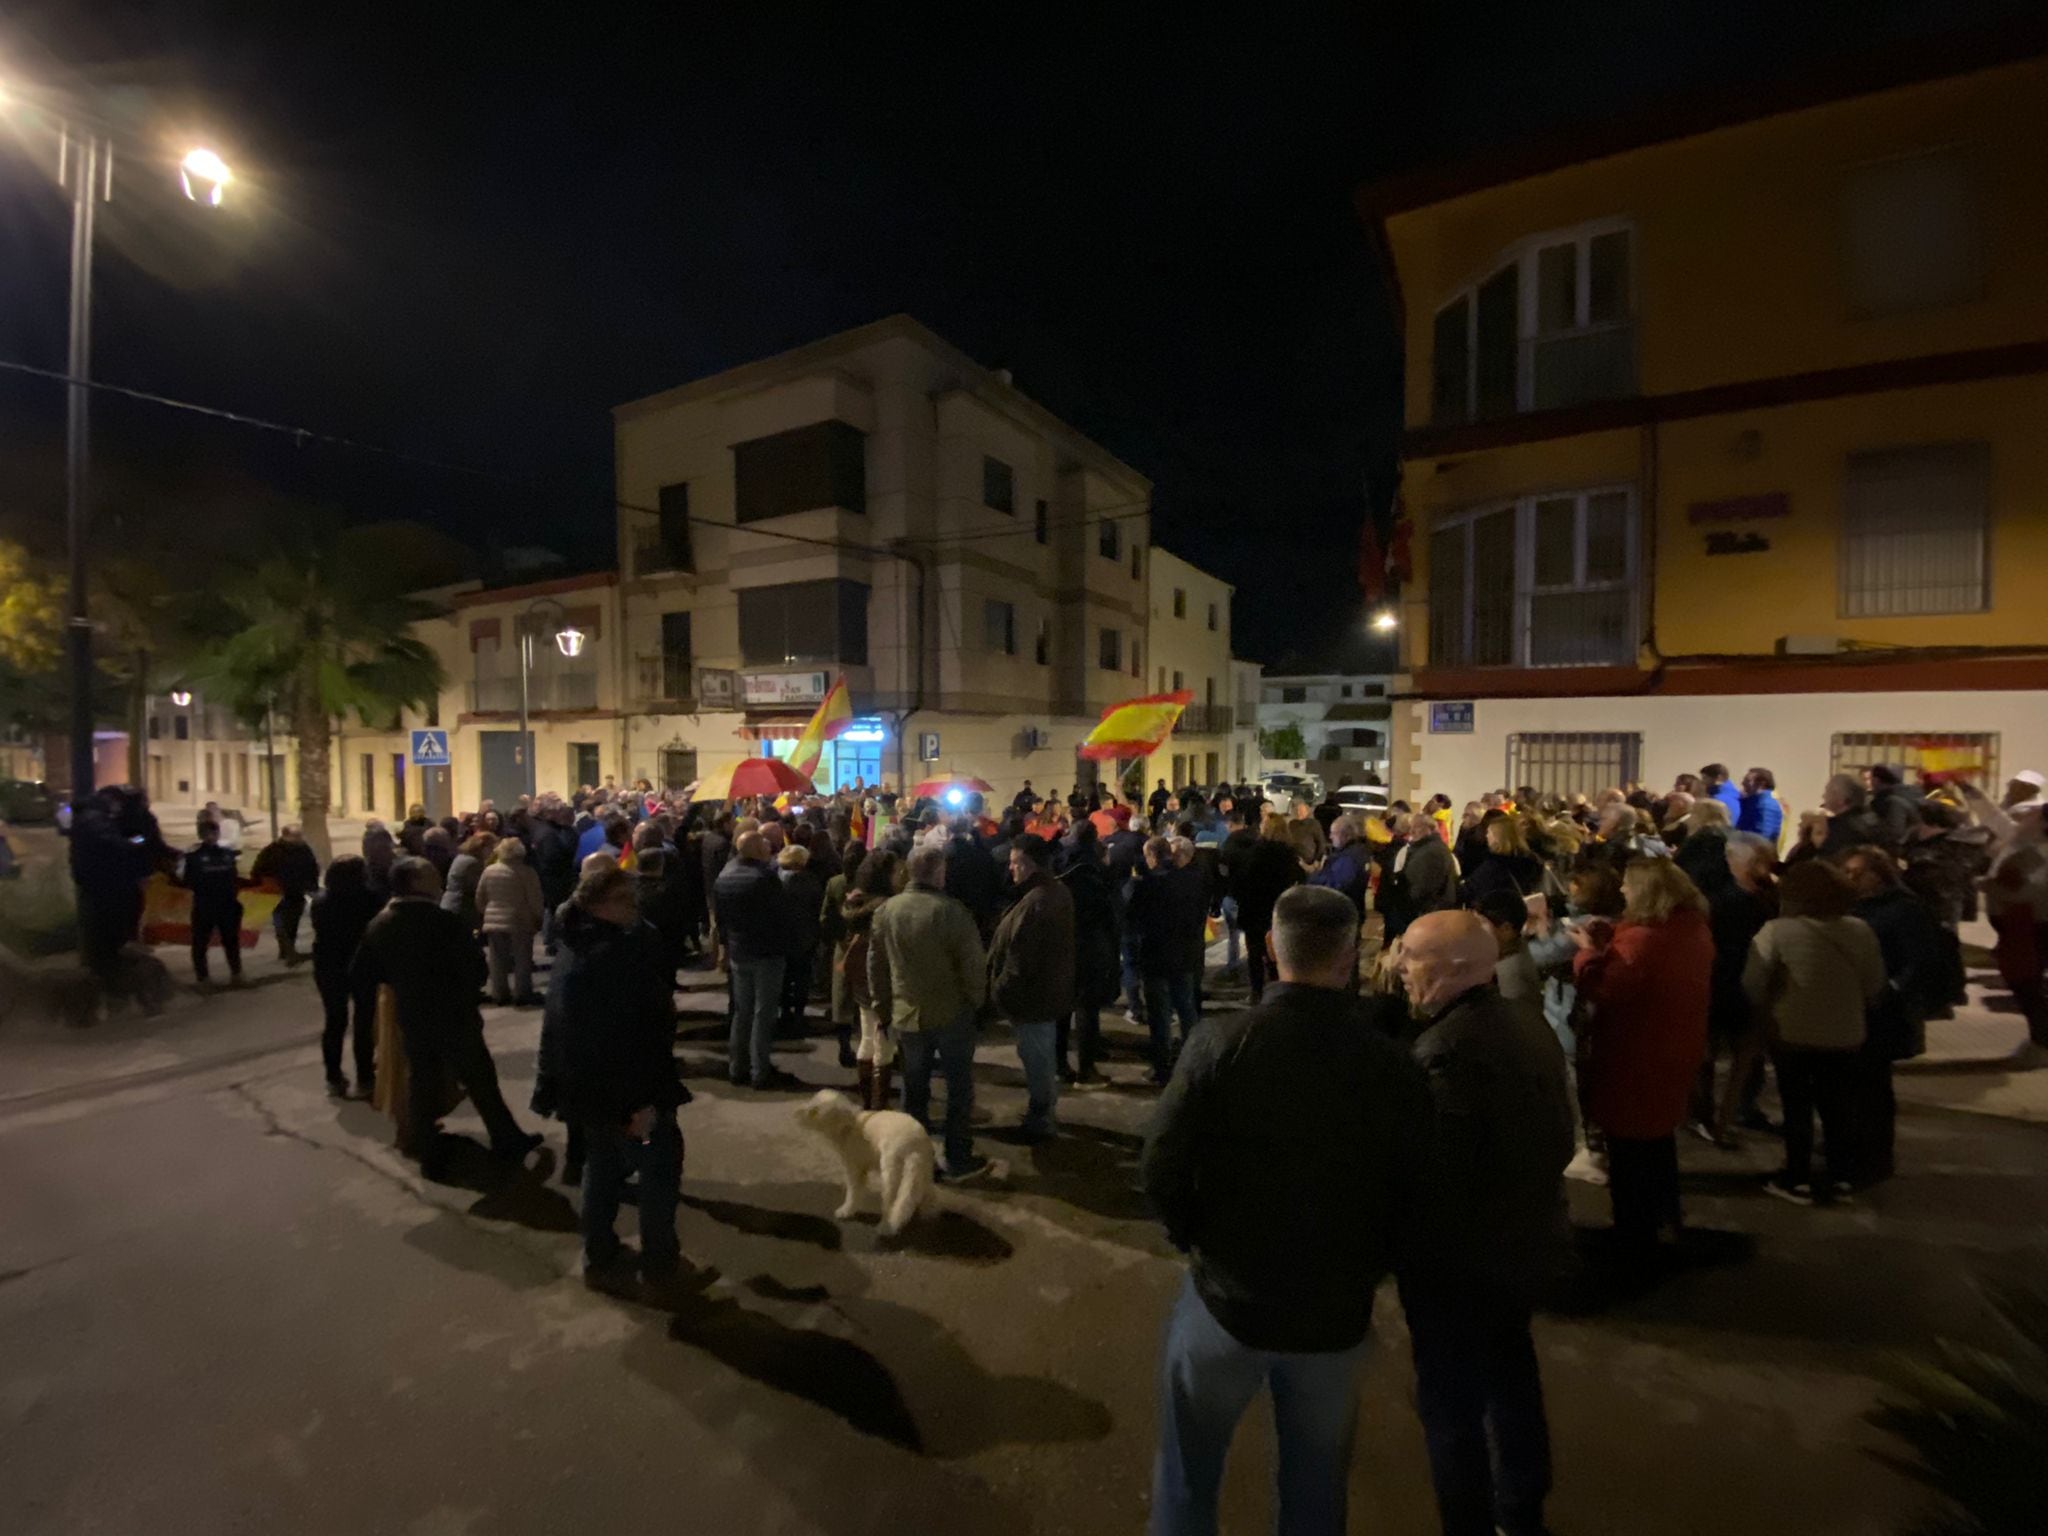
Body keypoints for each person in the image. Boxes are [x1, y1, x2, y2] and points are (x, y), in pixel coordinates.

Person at [1142, 885, 1438, 1536]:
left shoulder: (1222, 1041)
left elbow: (1161, 1164)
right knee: (1315, 1485)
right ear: (1348, 958)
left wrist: (1196, 1237)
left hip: (1227, 1300)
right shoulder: (1392, 1065)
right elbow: (1417, 1190)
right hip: (1332, 1314)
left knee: (1187, 1477)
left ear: (1272, 949)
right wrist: (1373, 1264)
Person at [1396, 910, 1572, 1536]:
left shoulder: (1447, 1052)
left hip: (1462, 1265)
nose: (1397, 965)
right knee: (1512, 1377)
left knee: (1452, 1408)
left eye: (1411, 955)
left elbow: (1435, 1177)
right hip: (1525, 1242)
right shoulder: (1525, 1024)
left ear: (1451, 971)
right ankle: (1523, 1512)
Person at [534, 864, 690, 1290]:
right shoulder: (610, 958)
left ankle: (599, 1250)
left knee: (602, 1167)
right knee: (657, 1168)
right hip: (627, 1095)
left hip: (591, 1094)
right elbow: (624, 1038)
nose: (634, 907)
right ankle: (659, 1261)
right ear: (600, 904)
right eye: (625, 899)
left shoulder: (579, 942)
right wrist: (638, 1104)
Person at [350, 857, 540, 1173]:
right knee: (480, 1079)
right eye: (431, 877)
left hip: (412, 1015)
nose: (438, 882)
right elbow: (476, 969)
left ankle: (427, 1147)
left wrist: (401, 985)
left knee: (422, 1079)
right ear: (415, 883)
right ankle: (506, 1138)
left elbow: (362, 974)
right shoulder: (444, 922)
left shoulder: (380, 925)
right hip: (455, 1014)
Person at [1571, 857, 1714, 1257]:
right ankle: (1665, 1219)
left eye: (1629, 885)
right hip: (1673, 1048)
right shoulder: (1689, 928)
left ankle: (1634, 1236)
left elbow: (1606, 987)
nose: (1621, 890)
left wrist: (1585, 954)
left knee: (1629, 1151)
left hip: (1635, 1054)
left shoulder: (1645, 941)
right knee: (1657, 1142)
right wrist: (1610, 938)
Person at [1745, 860, 1886, 1205]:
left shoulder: (1777, 931)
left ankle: (1796, 1177)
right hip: (1846, 1032)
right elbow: (1874, 983)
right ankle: (1841, 1176)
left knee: (1797, 1105)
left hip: (1793, 1030)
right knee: (1838, 1104)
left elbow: (1752, 983)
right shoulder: (1859, 930)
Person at [867, 844, 991, 1183]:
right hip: (951, 1013)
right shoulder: (951, 911)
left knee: (914, 1088)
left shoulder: (887, 911)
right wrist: (975, 1002)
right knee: (958, 1088)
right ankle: (958, 1156)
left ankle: (916, 1160)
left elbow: (876, 965)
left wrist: (882, 1007)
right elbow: (972, 965)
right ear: (938, 872)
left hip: (907, 1013)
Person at [1841, 845, 1946, 1184]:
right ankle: (1854, 1150)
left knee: (1873, 1087)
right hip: (1857, 1007)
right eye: (1848, 872)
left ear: (1880, 875)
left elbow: (1920, 961)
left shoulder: (1905, 910)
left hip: (1885, 1010)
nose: (1851, 878)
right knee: (1856, 1085)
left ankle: (1874, 1158)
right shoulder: (1856, 906)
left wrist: (1891, 989)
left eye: (1858, 872)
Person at [986, 834, 1076, 1140]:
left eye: (1014, 863)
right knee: (1040, 1057)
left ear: (1029, 864)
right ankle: (1043, 1111)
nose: (1010, 870)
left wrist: (997, 992)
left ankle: (1041, 1121)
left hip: (1034, 998)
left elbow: (1020, 962)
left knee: (1037, 1060)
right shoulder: (1051, 892)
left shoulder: (1038, 901)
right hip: (1046, 993)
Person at [1693, 831, 1777, 1144]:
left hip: (1749, 983)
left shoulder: (1768, 897)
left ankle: (1739, 1109)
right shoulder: (1721, 900)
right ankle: (1706, 1116)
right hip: (1723, 982)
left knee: (1748, 1056)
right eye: (1757, 861)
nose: (1763, 868)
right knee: (1708, 1055)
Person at [713, 832, 803, 1091]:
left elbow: (721, 918)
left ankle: (736, 1067)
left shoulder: (725, 875)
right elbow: (781, 915)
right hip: (767, 953)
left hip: (740, 951)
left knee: (742, 1012)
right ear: (753, 849)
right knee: (763, 1013)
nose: (768, 846)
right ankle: (759, 1071)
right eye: (763, 843)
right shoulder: (764, 878)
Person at [1130, 834, 1211, 1083]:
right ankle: (1193, 1059)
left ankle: (1162, 1065)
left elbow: (1133, 919)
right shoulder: (1191, 880)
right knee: (1186, 1007)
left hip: (1156, 955)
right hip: (1185, 953)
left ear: (1152, 856)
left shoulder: (1146, 885)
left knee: (1160, 1013)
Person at [311, 854, 384, 1099]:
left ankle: (333, 1077)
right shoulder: (371, 899)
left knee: (334, 1021)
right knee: (364, 1022)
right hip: (362, 964)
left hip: (329, 965)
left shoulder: (321, 902)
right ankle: (365, 1077)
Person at [1059, 825, 1121, 1090]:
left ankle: (1059, 1065)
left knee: (1062, 1008)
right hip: (1090, 947)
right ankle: (1087, 1069)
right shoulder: (1094, 873)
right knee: (1087, 1009)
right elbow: (1110, 915)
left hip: (1063, 945)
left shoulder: (1060, 867)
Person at [1235, 813, 1305, 1005]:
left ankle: (1257, 993)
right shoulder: (1290, 854)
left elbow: (1244, 880)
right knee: (1278, 953)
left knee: (1255, 954)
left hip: (1256, 910)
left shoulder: (1256, 852)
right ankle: (1278, 991)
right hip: (1280, 911)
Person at [476, 836, 545, 1007]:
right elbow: (534, 898)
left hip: (493, 920)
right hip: (519, 920)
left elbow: (480, 896)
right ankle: (522, 993)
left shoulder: (489, 871)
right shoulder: (527, 872)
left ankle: (500, 993)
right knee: (522, 959)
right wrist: (538, 917)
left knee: (497, 959)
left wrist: (486, 912)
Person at [180, 817, 248, 986]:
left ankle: (237, 973)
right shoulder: (194, 857)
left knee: (231, 941)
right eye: (207, 834)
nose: (211, 836)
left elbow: (234, 877)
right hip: (205, 905)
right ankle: (203, 978)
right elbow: (188, 881)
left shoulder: (227, 855)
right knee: (201, 942)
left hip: (227, 904)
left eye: (214, 833)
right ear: (201, 835)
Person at [1386, 810, 1459, 945]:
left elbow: (1423, 889)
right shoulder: (1424, 849)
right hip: (1424, 915)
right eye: (1411, 828)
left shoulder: (1431, 852)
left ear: (1430, 829)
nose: (1412, 831)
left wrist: (1406, 908)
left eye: (1417, 827)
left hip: (1426, 917)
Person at [250, 824, 320, 964]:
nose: (300, 838)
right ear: (286, 835)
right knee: (281, 924)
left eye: (300, 835)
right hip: (278, 893)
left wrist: (312, 886)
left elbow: (312, 867)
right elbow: (258, 870)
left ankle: (288, 951)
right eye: (296, 835)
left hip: (297, 892)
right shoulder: (272, 851)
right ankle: (288, 952)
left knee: (293, 923)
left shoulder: (303, 849)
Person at [777, 843, 826, 1033]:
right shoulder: (809, 881)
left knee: (784, 976)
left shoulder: (776, 878)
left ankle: (784, 1012)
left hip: (781, 935)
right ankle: (798, 1014)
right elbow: (817, 908)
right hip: (805, 936)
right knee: (802, 977)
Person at [1788, 773, 1883, 863]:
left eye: (1827, 791)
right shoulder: (1875, 820)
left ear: (1841, 799)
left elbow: (1828, 864)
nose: (1823, 796)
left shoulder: (1841, 829)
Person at [1462, 813, 1543, 910]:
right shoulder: (1532, 861)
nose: (1486, 836)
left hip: (1498, 917)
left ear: (1497, 837)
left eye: (1489, 832)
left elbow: (1470, 891)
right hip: (1525, 913)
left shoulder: (1494, 866)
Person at [1308, 813, 1372, 922]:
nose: (1330, 837)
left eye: (1334, 833)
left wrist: (1313, 878)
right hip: (1352, 911)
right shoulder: (1359, 852)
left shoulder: (1348, 858)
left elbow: (1335, 885)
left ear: (1345, 835)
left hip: (1341, 914)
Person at [440, 830, 496, 939]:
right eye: (491, 848)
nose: (492, 852)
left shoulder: (461, 857)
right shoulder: (473, 863)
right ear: (482, 846)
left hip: (451, 903)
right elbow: (476, 886)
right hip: (461, 907)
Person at [1736, 767, 1784, 844]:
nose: (1742, 783)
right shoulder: (1753, 802)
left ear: (1762, 783)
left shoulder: (1765, 805)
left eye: (1747, 781)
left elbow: (1761, 838)